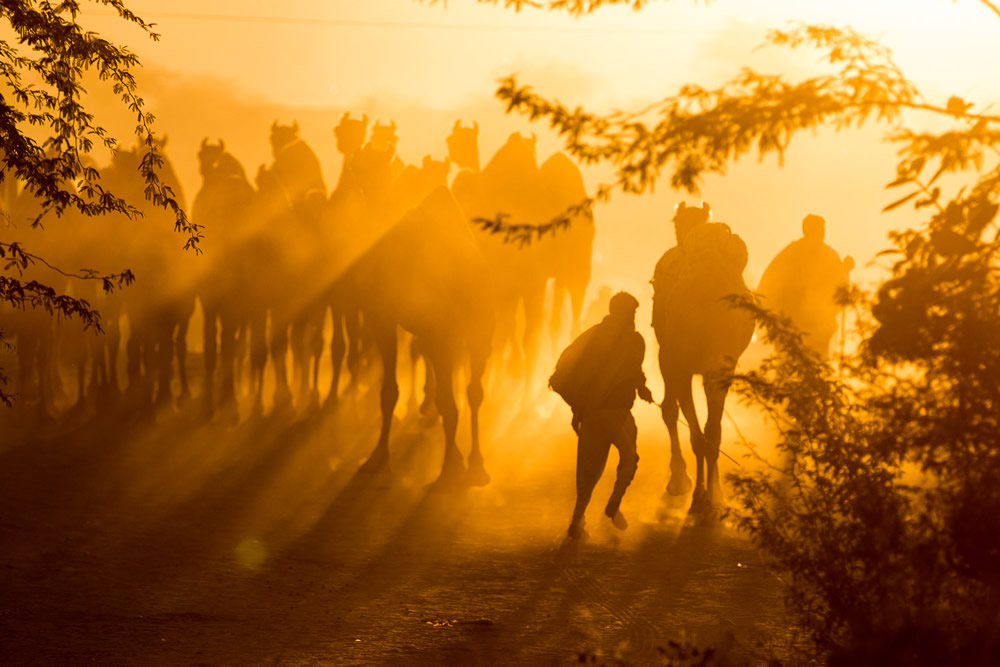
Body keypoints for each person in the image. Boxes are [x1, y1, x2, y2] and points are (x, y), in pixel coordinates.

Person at [549, 291, 655, 539]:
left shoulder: (592, 334)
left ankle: (576, 522)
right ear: (628, 312)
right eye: (634, 312)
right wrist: (643, 389)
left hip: (591, 413)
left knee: (588, 472)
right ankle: (614, 503)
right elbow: (634, 372)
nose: (635, 317)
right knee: (630, 458)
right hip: (617, 412)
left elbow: (564, 368)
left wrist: (579, 407)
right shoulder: (634, 340)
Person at [756, 214, 853, 357]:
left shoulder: (789, 253)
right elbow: (842, 291)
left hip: (793, 324)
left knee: (788, 364)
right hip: (811, 326)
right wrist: (846, 271)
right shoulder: (829, 255)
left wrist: (765, 313)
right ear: (812, 230)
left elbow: (768, 284)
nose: (822, 233)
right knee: (815, 366)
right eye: (820, 229)